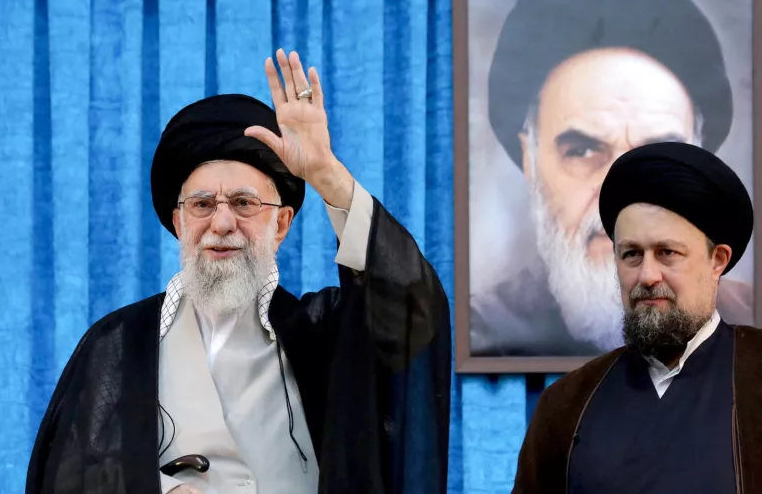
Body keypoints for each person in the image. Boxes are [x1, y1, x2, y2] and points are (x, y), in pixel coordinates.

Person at [26, 50, 451, 494]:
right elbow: (71, 478)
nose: (222, 223)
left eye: (245, 203)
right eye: (202, 205)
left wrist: (328, 176)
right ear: (179, 222)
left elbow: (412, 308)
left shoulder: (323, 332)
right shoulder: (117, 344)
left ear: (281, 224)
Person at [512, 142, 762, 493]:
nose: (647, 275)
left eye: (667, 253)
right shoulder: (564, 406)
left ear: (718, 260)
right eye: (631, 255)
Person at [470, 0, 753, 357]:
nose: (624, 198)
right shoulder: (481, 332)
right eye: (584, 151)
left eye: (658, 155)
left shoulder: (753, 333)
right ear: (531, 160)